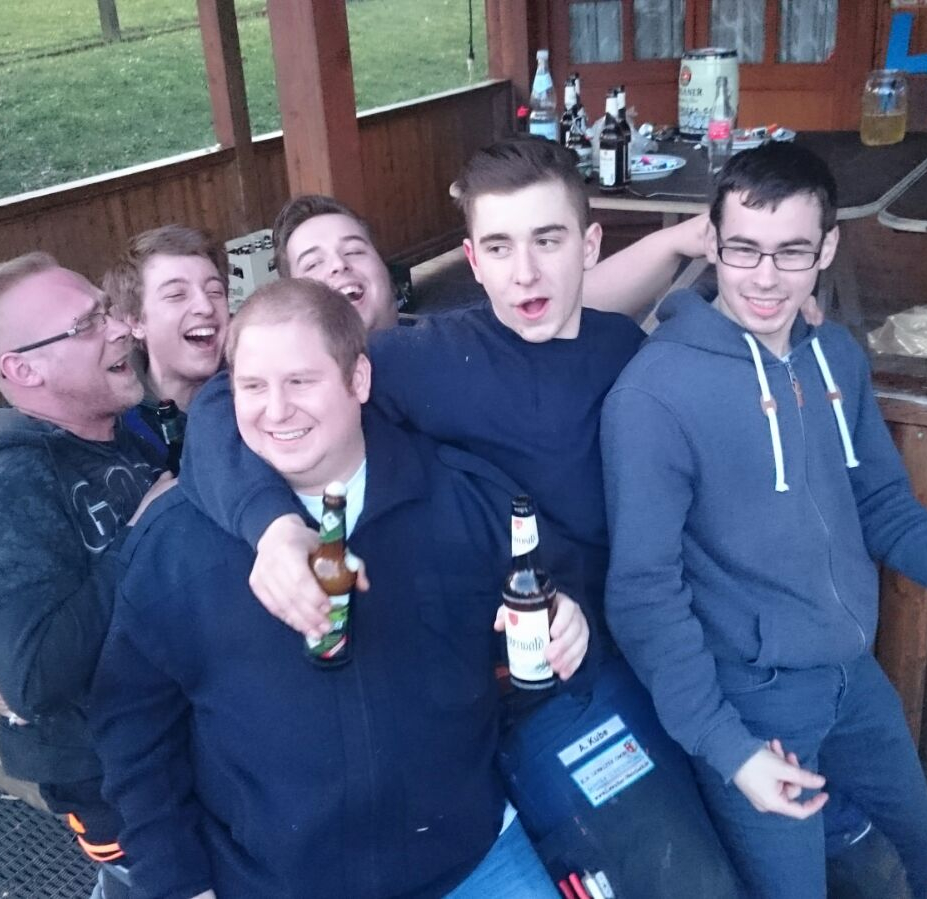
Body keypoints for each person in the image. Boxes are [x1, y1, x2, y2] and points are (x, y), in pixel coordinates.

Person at [181, 137, 745, 897]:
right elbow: (226, 404)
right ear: (472, 261)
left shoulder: (621, 350)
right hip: (517, 692)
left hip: (628, 643)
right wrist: (273, 527)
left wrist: (768, 313)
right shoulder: (425, 360)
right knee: (687, 883)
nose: (525, 272)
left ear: (586, 245)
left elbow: (646, 336)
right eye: (499, 247)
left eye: (547, 241)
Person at [600, 141, 927, 899]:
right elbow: (643, 594)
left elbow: (881, 504)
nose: (765, 277)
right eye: (743, 249)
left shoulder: (834, 356)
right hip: (749, 698)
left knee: (914, 849)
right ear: (712, 243)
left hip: (851, 675)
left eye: (791, 251)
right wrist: (728, 747)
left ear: (826, 249)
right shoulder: (653, 395)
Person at [91, 279, 590, 899]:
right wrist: (179, 885)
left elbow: (564, 593)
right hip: (275, 883)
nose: (276, 410)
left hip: (472, 857)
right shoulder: (175, 545)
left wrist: (572, 621)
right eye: (253, 386)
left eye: (301, 381)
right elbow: (134, 736)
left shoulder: (463, 497)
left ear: (359, 379)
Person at [0, 252, 164, 899]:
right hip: (119, 788)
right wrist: (144, 534)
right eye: (87, 324)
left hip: (175, 748)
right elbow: (33, 672)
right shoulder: (5, 479)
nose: (119, 328)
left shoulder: (118, 432)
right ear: (23, 369)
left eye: (106, 310)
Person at [271, 191, 712, 332]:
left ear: (388, 275)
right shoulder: (283, 402)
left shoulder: (442, 347)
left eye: (354, 250)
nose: (339, 266)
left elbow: (576, 298)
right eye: (313, 263)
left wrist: (680, 238)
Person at [101, 225, 229, 465]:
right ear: (136, 322)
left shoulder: (260, 394)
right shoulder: (115, 427)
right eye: (176, 295)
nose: (205, 306)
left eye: (215, 291)